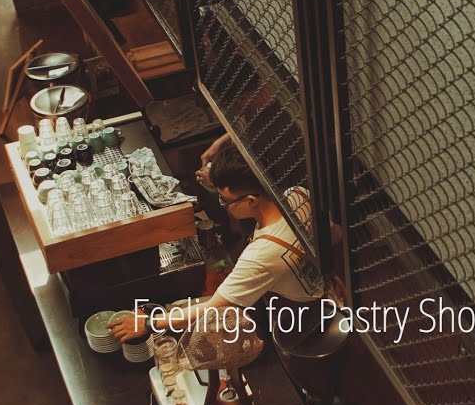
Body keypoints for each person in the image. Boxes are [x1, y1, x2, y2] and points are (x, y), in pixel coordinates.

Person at [109, 135, 328, 342]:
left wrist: (149, 323)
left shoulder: (261, 255)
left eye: (224, 200)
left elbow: (215, 307)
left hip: (296, 314)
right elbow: (333, 235)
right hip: (318, 289)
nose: (224, 205)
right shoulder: (297, 194)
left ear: (251, 201)